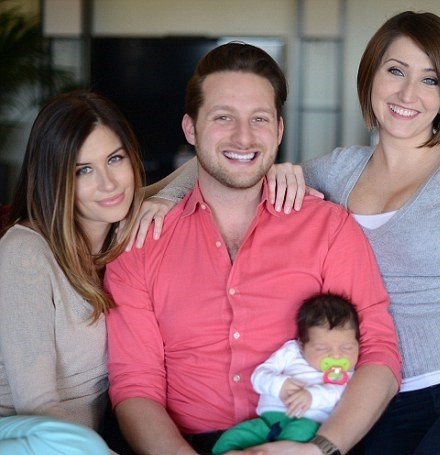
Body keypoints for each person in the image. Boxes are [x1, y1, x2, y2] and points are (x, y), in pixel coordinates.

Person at [144, 12, 440, 454]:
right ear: (371, 75)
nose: (408, 93)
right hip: (391, 394)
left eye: (430, 80)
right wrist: (165, 197)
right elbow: (237, 159)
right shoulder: (337, 171)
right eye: (395, 71)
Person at [104, 41, 401, 455]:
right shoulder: (141, 243)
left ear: (278, 130)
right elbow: (136, 385)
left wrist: (320, 448)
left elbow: (379, 354)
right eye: (223, 117)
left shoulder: (328, 228)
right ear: (190, 128)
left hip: (310, 440)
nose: (243, 137)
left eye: (258, 119)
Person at [0, 90, 145, 453]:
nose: (109, 183)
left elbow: (201, 166)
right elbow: (38, 408)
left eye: (115, 159)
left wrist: (162, 199)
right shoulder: (25, 254)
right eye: (83, 170)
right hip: (25, 435)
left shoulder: (122, 225)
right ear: (55, 178)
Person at [212, 293, 360, 454]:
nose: (336, 356)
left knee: (302, 432)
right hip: (267, 423)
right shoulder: (290, 352)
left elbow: (341, 394)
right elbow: (259, 376)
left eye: (347, 348)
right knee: (231, 438)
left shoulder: (347, 372)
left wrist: (313, 396)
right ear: (302, 345)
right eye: (322, 349)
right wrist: (279, 385)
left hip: (309, 424)